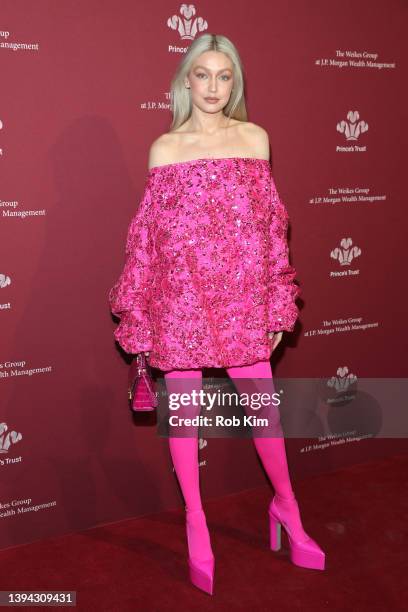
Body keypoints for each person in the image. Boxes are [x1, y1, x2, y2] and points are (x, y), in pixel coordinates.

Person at [108, 33, 325, 596]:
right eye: (201, 75)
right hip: (178, 299)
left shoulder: (254, 139)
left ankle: (286, 507)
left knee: (264, 416)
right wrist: (140, 312)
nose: (212, 86)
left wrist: (278, 298)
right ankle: (196, 523)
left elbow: (271, 230)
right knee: (184, 418)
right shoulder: (164, 148)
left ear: (236, 84)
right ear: (185, 81)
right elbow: (147, 241)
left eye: (223, 76)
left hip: (240, 300)